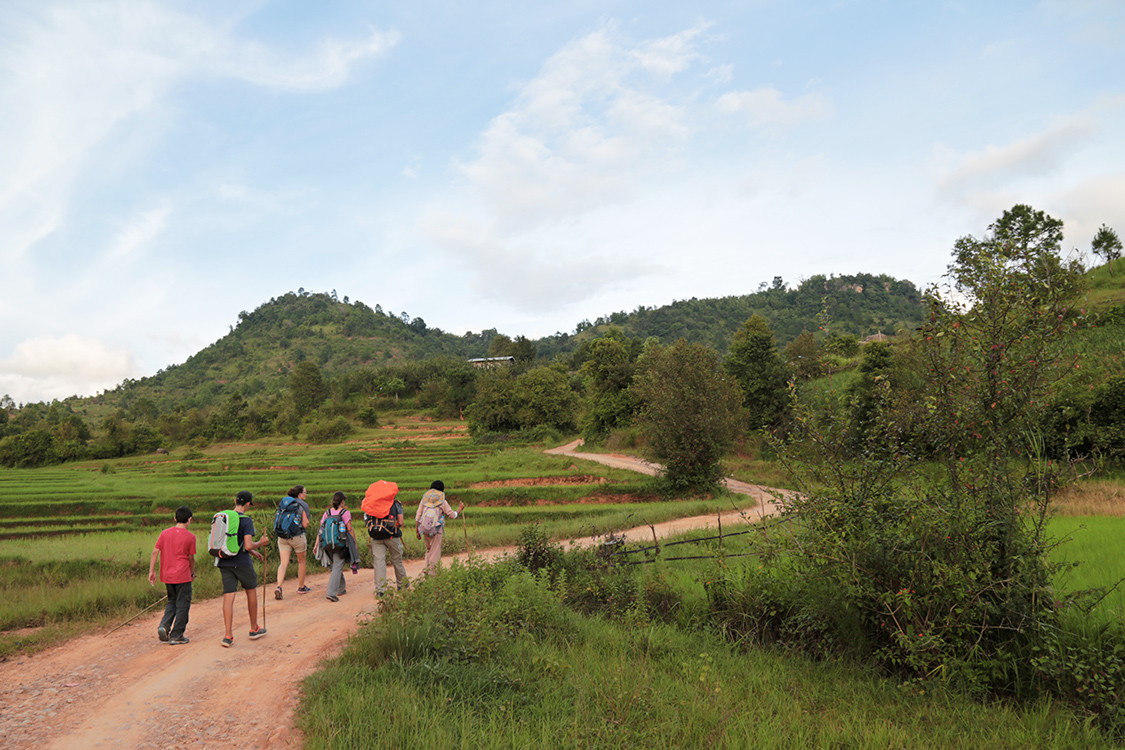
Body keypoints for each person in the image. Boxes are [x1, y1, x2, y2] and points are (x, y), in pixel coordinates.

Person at [219, 490, 270, 648]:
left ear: (235, 501)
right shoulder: (246, 521)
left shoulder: (225, 518)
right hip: (242, 562)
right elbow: (247, 545)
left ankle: (228, 635)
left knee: (228, 596)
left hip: (224, 561)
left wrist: (253, 552)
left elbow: (234, 542)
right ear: (248, 504)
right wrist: (260, 543)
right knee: (251, 591)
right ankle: (254, 628)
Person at [148, 505, 196, 645]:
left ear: (175, 518)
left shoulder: (165, 533)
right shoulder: (191, 537)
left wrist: (152, 571)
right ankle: (177, 635)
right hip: (183, 575)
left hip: (168, 576)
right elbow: (191, 558)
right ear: (189, 519)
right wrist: (192, 573)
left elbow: (155, 552)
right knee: (183, 605)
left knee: (172, 601)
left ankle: (164, 626)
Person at [362, 480, 408, 596]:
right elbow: (400, 522)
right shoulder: (395, 504)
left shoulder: (370, 503)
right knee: (397, 560)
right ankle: (402, 585)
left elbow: (366, 521)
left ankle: (380, 590)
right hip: (392, 536)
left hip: (376, 537)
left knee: (379, 562)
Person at [415, 480, 464, 576]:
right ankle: (433, 575)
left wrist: (417, 531)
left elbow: (418, 517)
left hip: (424, 529)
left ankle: (426, 571)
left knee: (429, 550)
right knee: (435, 552)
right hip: (436, 530)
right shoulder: (442, 501)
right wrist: (460, 509)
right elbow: (452, 515)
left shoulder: (424, 500)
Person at [313, 492, 355, 602]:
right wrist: (354, 543)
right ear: (342, 502)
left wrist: (316, 544)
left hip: (326, 544)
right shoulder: (345, 513)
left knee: (336, 566)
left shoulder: (327, 513)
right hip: (340, 544)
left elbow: (321, 529)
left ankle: (341, 589)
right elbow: (350, 529)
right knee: (337, 567)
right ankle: (331, 593)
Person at [274, 485, 312, 600]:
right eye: (305, 492)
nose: (306, 494)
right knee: (301, 561)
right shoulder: (302, 505)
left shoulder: (285, 503)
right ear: (300, 494)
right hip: (297, 537)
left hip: (282, 537)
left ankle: (279, 586)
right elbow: (305, 524)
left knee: (283, 563)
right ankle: (301, 587)